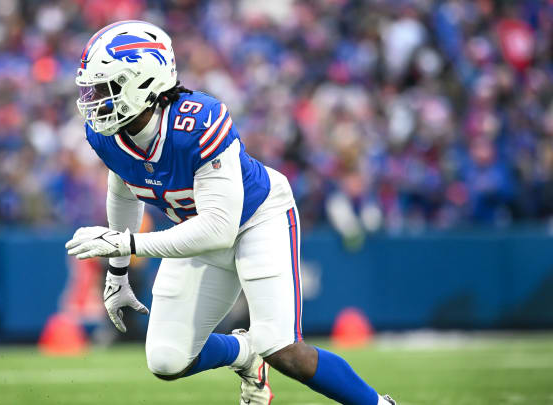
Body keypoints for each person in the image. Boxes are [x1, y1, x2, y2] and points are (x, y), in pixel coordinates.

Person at [65, 20, 396, 405]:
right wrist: (118, 274)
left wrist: (128, 242)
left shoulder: (197, 121)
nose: (94, 99)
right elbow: (122, 189)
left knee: (283, 349)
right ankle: (244, 354)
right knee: (166, 360)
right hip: (193, 229)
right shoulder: (107, 134)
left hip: (257, 219)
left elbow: (219, 228)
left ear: (143, 80)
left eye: (106, 87)